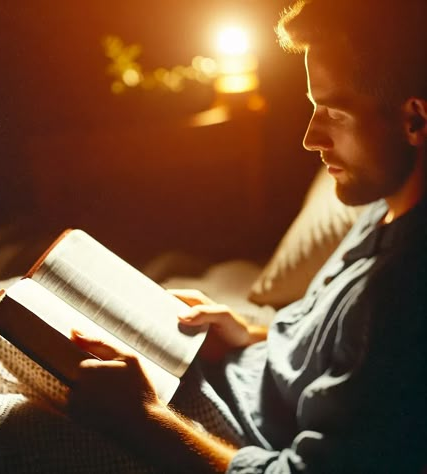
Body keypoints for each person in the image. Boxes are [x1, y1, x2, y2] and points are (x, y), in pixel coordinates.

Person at [66, 1, 427, 473]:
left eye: (333, 113)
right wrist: (245, 335)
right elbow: (331, 349)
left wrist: (144, 417)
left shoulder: (402, 297)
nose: (310, 138)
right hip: (217, 374)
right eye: (311, 106)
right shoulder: (384, 203)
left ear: (415, 120)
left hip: (203, 431)